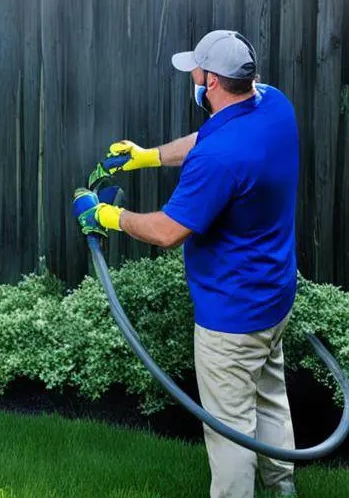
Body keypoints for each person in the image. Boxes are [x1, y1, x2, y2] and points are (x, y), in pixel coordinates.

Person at [74, 29, 299, 498]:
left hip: (231, 318)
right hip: (274, 295)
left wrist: (107, 216)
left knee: (229, 427)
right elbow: (205, 136)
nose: (191, 77)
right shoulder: (274, 106)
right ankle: (283, 488)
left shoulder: (221, 158)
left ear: (211, 81)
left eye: (195, 71)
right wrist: (147, 158)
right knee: (270, 399)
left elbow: (167, 231)